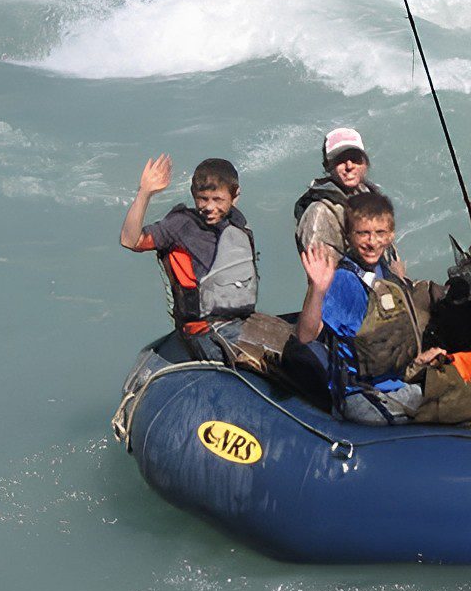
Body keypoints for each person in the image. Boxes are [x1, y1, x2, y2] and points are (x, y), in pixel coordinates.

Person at [295, 192, 449, 425]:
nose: (372, 242)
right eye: (363, 233)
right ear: (348, 236)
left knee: (463, 398)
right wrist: (317, 289)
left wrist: (418, 361)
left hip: (399, 383)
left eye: (380, 233)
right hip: (361, 394)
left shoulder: (388, 274)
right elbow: (306, 335)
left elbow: (390, 337)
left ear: (391, 235)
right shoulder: (343, 281)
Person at [119, 155, 258, 362]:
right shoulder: (180, 225)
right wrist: (145, 193)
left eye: (218, 199)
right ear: (194, 195)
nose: (210, 207)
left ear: (235, 196)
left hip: (239, 323)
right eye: (203, 199)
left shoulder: (236, 224)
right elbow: (131, 240)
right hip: (205, 333)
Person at [294, 127, 391, 258]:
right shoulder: (320, 214)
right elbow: (322, 275)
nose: (349, 166)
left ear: (365, 163)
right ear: (327, 166)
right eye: (340, 160)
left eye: (355, 158)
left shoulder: (372, 199)